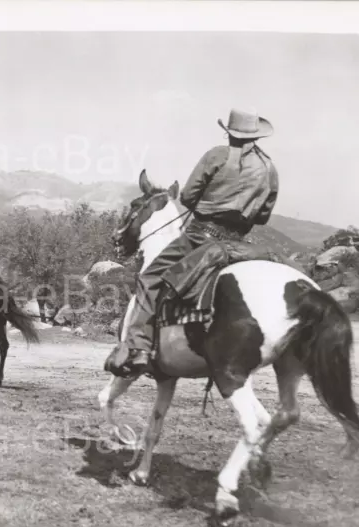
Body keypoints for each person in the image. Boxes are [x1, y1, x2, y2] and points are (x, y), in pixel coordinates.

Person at [104, 107, 280, 378]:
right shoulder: (269, 168)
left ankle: (138, 349)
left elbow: (187, 197)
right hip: (240, 243)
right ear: (256, 136)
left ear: (229, 133)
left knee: (150, 278)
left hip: (201, 237)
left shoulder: (217, 155)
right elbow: (264, 216)